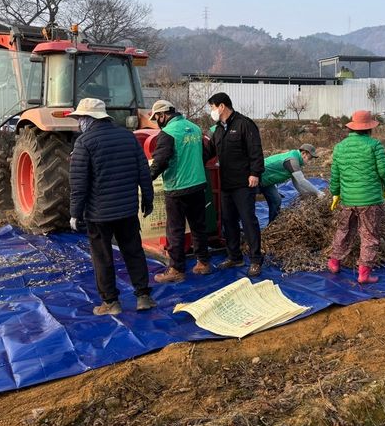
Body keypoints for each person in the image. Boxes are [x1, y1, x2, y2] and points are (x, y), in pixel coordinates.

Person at [68, 98, 156, 315]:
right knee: (134, 251)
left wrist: (74, 214)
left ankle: (111, 302)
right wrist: (148, 198)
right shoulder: (127, 136)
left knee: (103, 256)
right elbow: (143, 171)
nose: (79, 122)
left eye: (80, 118)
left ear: (88, 119)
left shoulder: (84, 143)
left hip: (99, 214)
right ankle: (143, 296)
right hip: (127, 210)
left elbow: (79, 183)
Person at [148, 99, 212, 283]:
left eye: (156, 118)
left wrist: (145, 180)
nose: (156, 122)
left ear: (163, 115)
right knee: (198, 226)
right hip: (198, 184)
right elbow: (204, 155)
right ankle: (203, 263)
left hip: (177, 188)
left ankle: (176, 269)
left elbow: (160, 161)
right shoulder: (195, 128)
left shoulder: (168, 133)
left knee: (175, 229)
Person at [327, 110, 385, 284]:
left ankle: (334, 262)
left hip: (347, 200)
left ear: (352, 128)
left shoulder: (340, 147)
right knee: (369, 235)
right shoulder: (374, 145)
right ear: (369, 128)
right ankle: (363, 273)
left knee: (344, 230)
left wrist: (335, 193)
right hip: (370, 200)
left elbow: (335, 174)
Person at [205, 92, 265, 277]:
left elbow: (255, 149)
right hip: (226, 183)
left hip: (243, 183)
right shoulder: (218, 130)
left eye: (213, 108)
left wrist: (255, 173)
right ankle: (234, 256)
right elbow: (209, 152)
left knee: (248, 221)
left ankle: (255, 260)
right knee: (228, 221)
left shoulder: (244, 124)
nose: (212, 111)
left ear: (222, 106)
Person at [259, 144, 322, 223]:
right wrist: (318, 192)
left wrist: (307, 195)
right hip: (257, 176)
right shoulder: (292, 160)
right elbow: (301, 180)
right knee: (247, 203)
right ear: (303, 153)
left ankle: (272, 224)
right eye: (310, 158)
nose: (310, 161)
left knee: (276, 200)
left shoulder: (296, 161)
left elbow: (297, 184)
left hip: (267, 182)